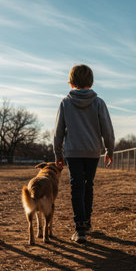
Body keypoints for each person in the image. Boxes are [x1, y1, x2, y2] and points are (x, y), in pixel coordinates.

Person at [53, 64, 115, 244]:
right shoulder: (98, 102)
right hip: (92, 151)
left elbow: (58, 132)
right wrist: (109, 151)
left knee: (76, 187)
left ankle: (79, 229)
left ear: (71, 83)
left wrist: (58, 154)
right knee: (88, 185)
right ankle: (86, 223)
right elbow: (108, 131)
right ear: (91, 81)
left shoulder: (65, 102)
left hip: (73, 152)